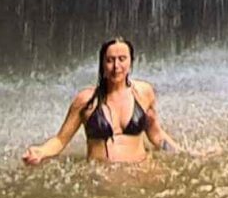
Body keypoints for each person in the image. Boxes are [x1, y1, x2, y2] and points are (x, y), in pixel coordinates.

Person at [20, 37, 174, 165]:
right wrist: (41, 152)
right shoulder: (85, 100)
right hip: (102, 177)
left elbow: (156, 134)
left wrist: (184, 153)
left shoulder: (144, 92)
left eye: (122, 59)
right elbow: (60, 140)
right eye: (110, 60)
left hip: (140, 170)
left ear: (131, 62)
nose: (116, 66)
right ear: (102, 64)